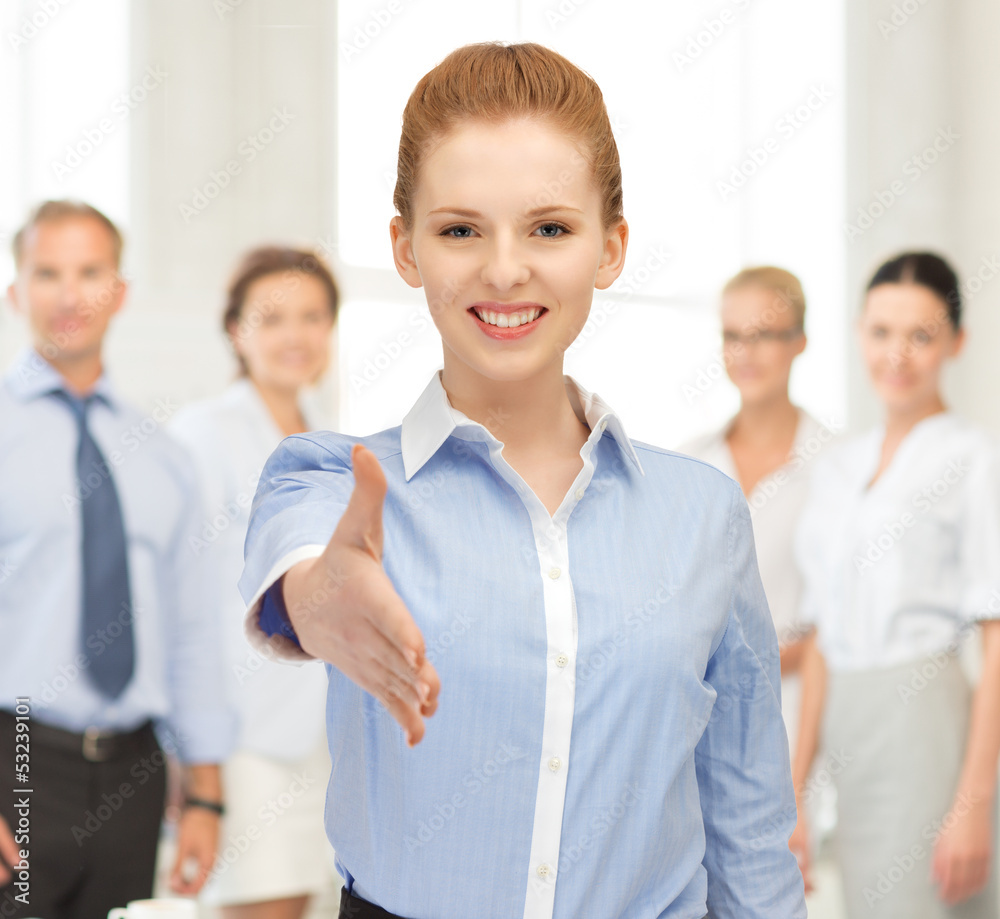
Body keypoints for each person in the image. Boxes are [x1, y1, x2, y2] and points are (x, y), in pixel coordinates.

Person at [239, 42, 806, 919]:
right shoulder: (332, 478)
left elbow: (748, 820)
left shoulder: (703, 514)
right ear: (406, 247)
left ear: (611, 248)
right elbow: (306, 579)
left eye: (550, 228)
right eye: (460, 229)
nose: (505, 270)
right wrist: (323, 602)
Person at [0, 200, 235, 918]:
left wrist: (205, 795)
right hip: (17, 762)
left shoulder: (162, 457)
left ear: (120, 291)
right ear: (16, 291)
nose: (69, 294)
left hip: (137, 773)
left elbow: (194, 629)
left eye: (90, 271)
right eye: (48, 272)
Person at [790, 252, 1000, 917]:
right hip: (849, 728)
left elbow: (997, 641)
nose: (897, 354)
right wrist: (796, 790)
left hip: (926, 723)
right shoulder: (836, 468)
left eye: (921, 334)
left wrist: (972, 804)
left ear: (956, 343)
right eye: (881, 332)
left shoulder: (974, 459)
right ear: (858, 334)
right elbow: (823, 634)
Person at [169, 246, 341, 918]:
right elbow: (180, 602)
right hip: (245, 738)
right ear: (236, 332)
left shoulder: (336, 442)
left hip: (332, 739)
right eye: (271, 318)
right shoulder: (203, 435)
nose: (295, 335)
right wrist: (193, 757)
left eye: (312, 316)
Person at [682, 267, 834, 758]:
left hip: (800, 721)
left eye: (765, 335)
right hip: (699, 721)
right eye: (733, 336)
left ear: (800, 342)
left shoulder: (837, 468)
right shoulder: (690, 464)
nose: (746, 353)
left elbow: (834, 625)